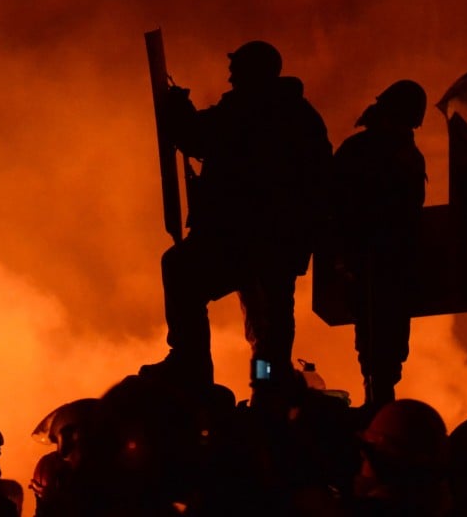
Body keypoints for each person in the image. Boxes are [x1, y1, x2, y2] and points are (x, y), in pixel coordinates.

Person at [140, 40, 332, 400]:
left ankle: (191, 363)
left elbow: (197, 137)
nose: (230, 77)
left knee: (183, 271)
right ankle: (267, 385)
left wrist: (177, 107)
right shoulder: (301, 115)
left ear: (254, 72)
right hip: (279, 244)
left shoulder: (251, 108)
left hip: (243, 236)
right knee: (267, 324)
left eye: (237, 69)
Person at [332, 80, 428, 409]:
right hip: (372, 260)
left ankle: (379, 399)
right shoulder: (380, 152)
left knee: (383, 342)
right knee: (378, 342)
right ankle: (379, 402)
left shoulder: (384, 151)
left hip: (384, 261)